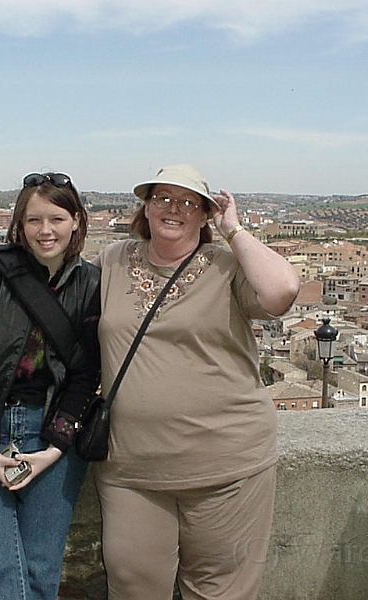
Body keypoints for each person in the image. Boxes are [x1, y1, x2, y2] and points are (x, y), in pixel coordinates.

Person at [92, 164, 300, 600]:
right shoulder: (112, 259)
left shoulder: (226, 265)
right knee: (132, 588)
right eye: (162, 198)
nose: (174, 209)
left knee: (221, 592)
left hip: (226, 464)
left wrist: (235, 231)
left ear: (204, 214)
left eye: (188, 202)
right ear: (145, 207)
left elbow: (281, 292)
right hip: (131, 467)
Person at [0, 171, 101, 600]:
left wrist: (52, 449)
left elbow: (86, 376)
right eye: (33, 220)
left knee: (40, 571)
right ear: (20, 224)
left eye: (56, 218)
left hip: (52, 431)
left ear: (76, 221)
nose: (45, 230)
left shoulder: (91, 285)